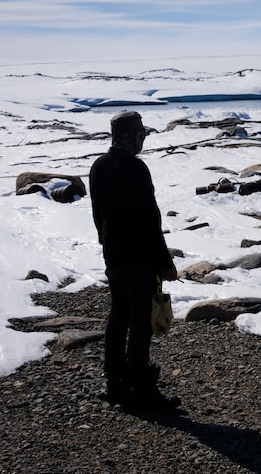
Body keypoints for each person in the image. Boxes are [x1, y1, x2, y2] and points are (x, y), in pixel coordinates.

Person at [89, 110, 180, 412]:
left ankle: (115, 383)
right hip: (140, 261)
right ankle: (141, 391)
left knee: (118, 319)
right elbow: (148, 223)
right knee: (140, 324)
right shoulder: (136, 169)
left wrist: (108, 246)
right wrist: (165, 262)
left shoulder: (99, 166)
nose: (143, 140)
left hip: (114, 260)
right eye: (141, 135)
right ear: (130, 137)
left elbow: (98, 216)